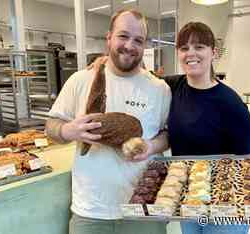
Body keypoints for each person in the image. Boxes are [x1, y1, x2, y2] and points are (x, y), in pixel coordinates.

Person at [90, 21, 250, 234]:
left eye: (199, 47)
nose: (191, 54)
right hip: (189, 199)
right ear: (178, 52)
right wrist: (106, 63)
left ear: (213, 53)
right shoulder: (174, 86)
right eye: (184, 48)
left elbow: (249, 161)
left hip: (223, 206)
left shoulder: (231, 103)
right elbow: (141, 75)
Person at [45, 9, 171, 234]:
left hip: (144, 210)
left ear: (145, 45)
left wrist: (151, 146)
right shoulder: (81, 80)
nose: (130, 45)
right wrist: (68, 130)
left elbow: (167, 135)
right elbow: (51, 127)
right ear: (109, 38)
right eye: (123, 36)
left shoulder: (159, 89)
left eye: (138, 40)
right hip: (91, 212)